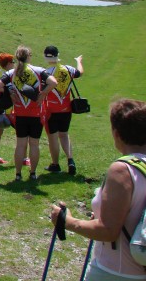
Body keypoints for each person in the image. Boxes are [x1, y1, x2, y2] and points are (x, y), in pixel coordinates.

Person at [50, 98, 146, 280]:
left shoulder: (123, 169)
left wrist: (66, 221)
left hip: (116, 271)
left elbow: (108, 231)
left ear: (117, 134)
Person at [0, 45, 57, 181]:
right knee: (34, 144)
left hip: (20, 113)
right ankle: (33, 173)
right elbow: (53, 82)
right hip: (36, 113)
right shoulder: (38, 70)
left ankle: (18, 174)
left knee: (20, 144)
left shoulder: (11, 73)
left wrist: (10, 93)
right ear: (29, 56)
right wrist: (43, 94)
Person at [43, 46, 84, 175]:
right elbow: (80, 72)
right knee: (64, 134)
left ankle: (55, 164)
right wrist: (78, 61)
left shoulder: (45, 73)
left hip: (51, 110)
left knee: (53, 138)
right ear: (57, 55)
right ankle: (70, 160)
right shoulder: (68, 69)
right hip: (66, 109)